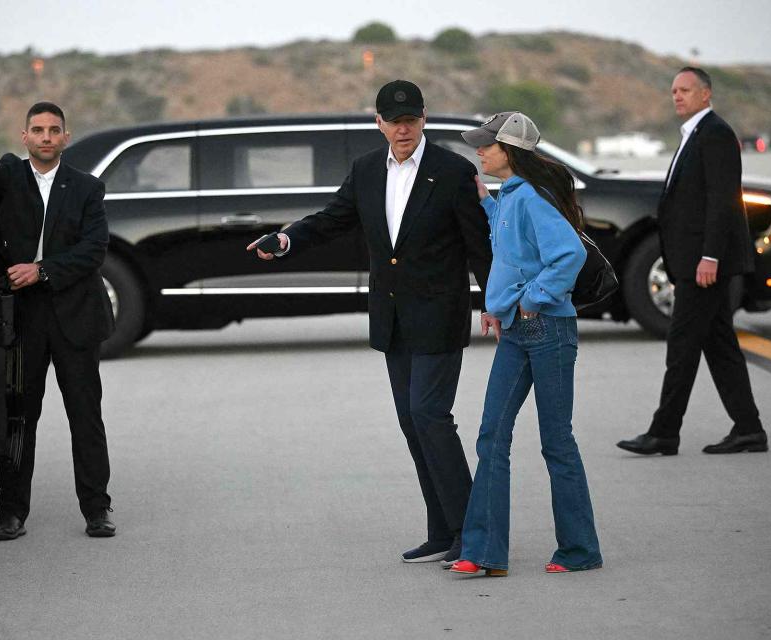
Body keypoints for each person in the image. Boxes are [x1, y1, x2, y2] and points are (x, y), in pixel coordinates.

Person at [248, 80, 492, 566]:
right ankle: (442, 529)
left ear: (424, 119)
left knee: (430, 417)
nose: (403, 128)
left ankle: (473, 531)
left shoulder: (453, 171)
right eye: (393, 120)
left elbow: (477, 243)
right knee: (411, 422)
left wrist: (494, 299)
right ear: (378, 122)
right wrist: (287, 238)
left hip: (439, 314)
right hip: (394, 316)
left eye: (411, 119)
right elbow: (333, 218)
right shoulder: (365, 170)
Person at [0, 103, 117, 540]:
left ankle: (97, 510)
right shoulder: (8, 176)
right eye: (37, 130)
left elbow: (94, 250)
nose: (45, 136)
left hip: (76, 317)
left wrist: (41, 270)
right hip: (24, 320)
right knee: (21, 418)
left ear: (66, 136)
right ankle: (11, 513)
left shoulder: (87, 187)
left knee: (85, 417)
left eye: (53, 130)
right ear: (24, 137)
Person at [449, 112, 602, 577]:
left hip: (548, 330)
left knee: (556, 442)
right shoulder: (512, 196)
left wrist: (534, 300)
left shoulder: (532, 196)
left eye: (486, 145)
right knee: (491, 435)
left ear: (509, 151)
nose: (479, 151)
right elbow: (515, 252)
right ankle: (485, 552)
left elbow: (568, 255)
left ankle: (580, 549)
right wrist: (486, 205)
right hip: (516, 332)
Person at [616, 67, 766, 457]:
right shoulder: (694, 135)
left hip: (704, 263)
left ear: (706, 94)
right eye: (673, 91)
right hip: (691, 261)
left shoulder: (714, 133)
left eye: (685, 90)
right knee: (720, 346)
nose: (677, 96)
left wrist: (710, 256)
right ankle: (749, 429)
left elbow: (723, 201)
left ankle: (664, 432)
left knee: (682, 346)